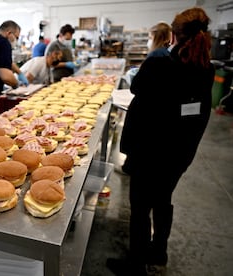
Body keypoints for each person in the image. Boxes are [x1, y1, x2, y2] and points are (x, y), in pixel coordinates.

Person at [107, 7, 215, 276]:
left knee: (140, 208)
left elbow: (136, 88)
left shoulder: (160, 63)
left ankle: (135, 264)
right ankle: (159, 252)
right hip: (180, 152)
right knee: (163, 200)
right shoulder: (206, 69)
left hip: (149, 151)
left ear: (174, 37)